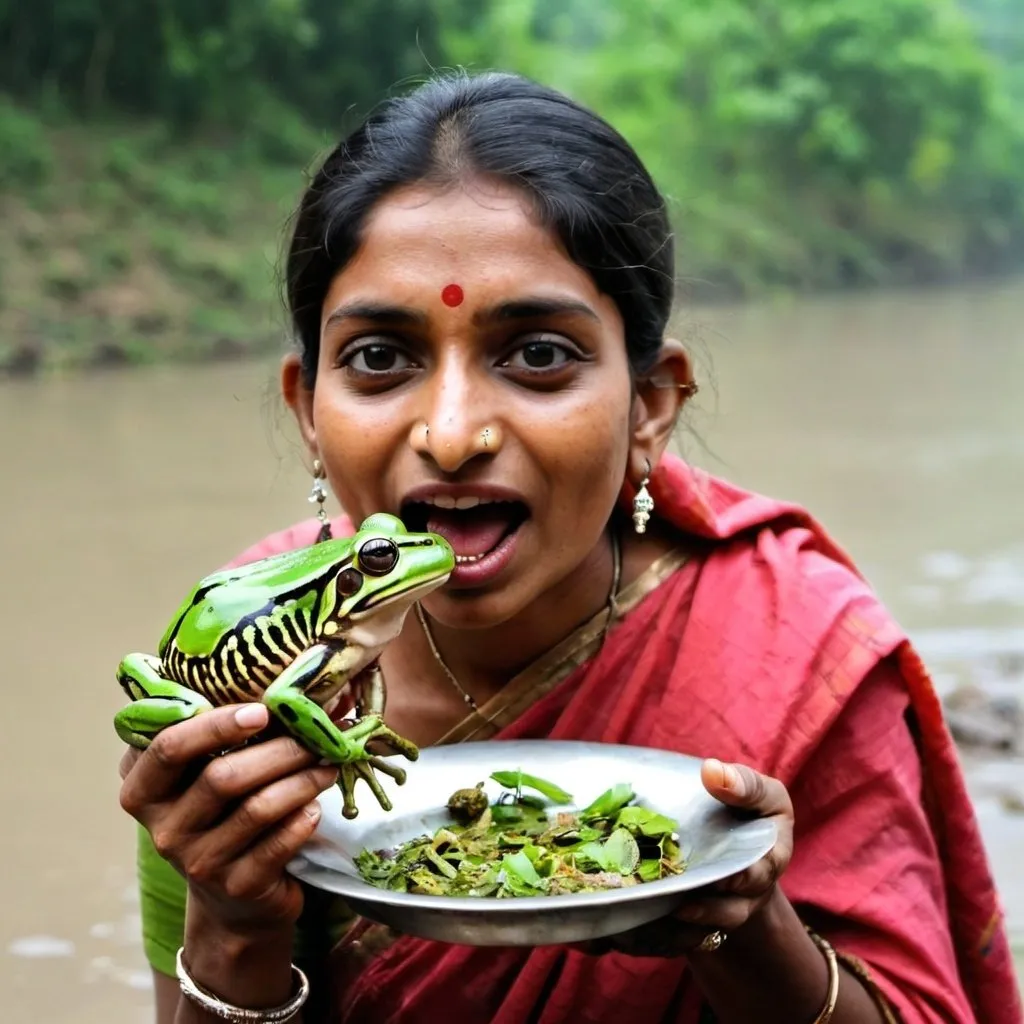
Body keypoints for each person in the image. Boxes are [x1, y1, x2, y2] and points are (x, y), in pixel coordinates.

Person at [116, 70, 1022, 1024]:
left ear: (651, 406)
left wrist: (746, 927)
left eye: (538, 354)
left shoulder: (797, 645)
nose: (454, 433)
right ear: (308, 409)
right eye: (381, 357)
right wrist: (233, 924)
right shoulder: (235, 676)